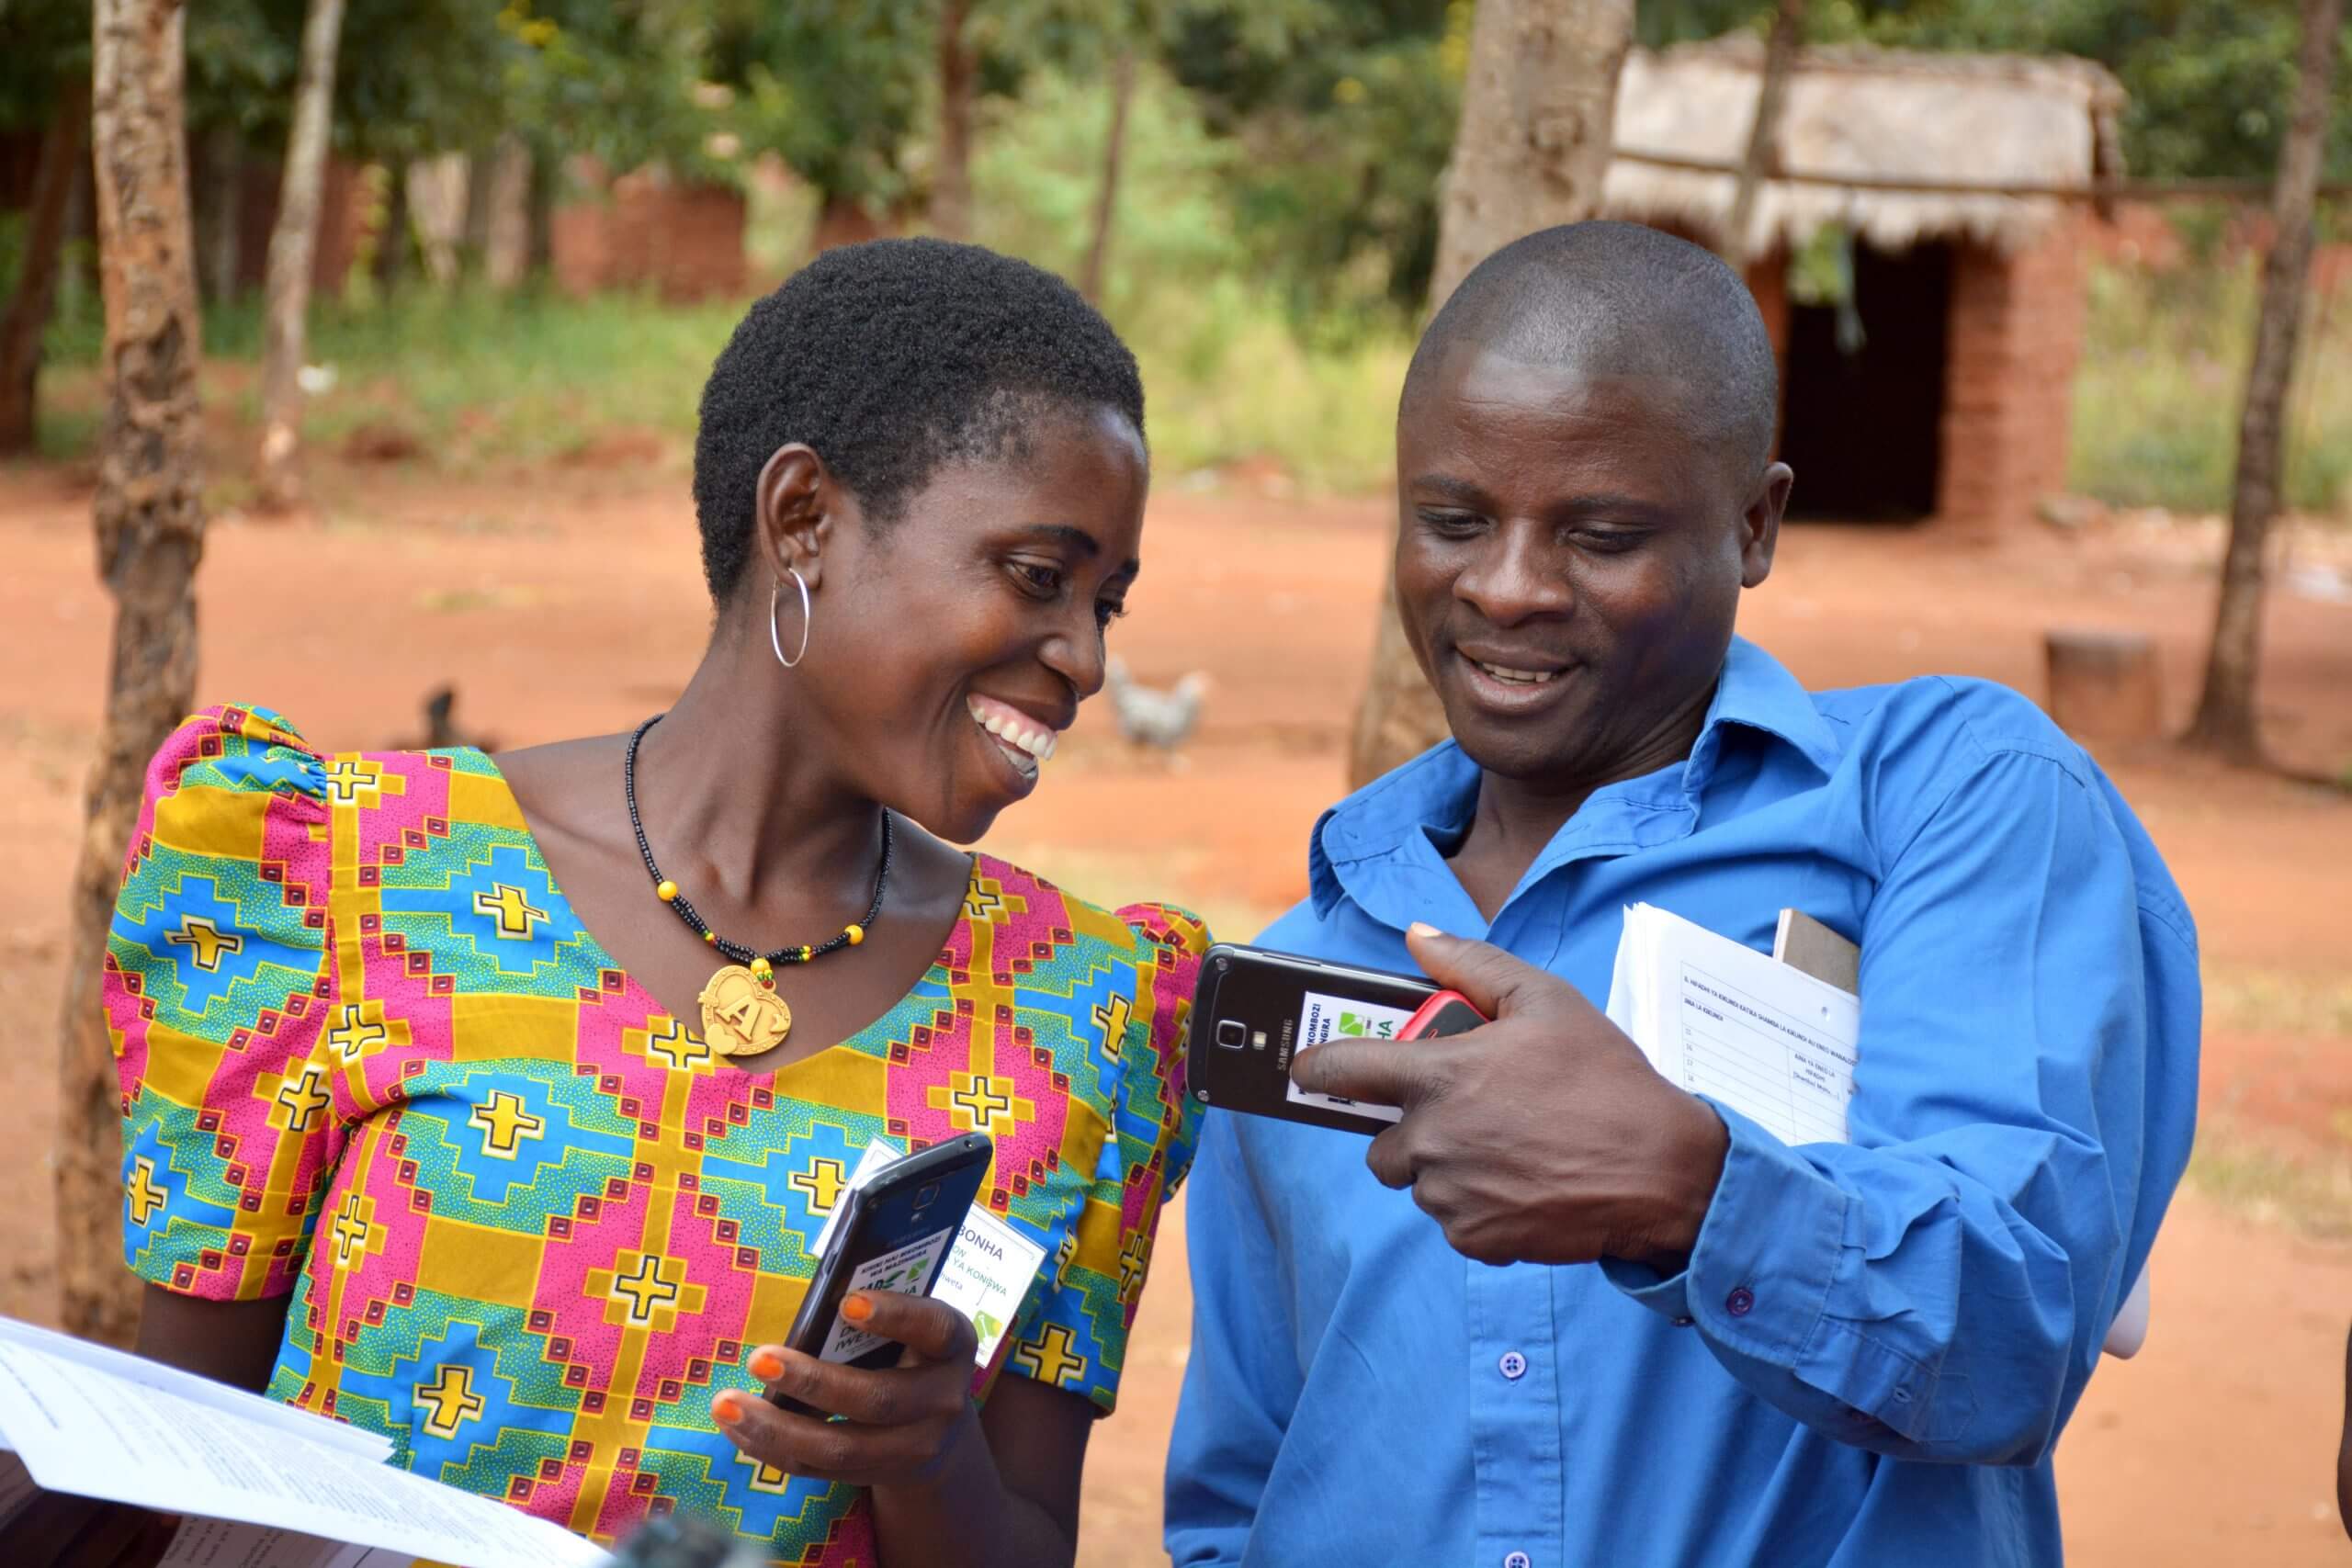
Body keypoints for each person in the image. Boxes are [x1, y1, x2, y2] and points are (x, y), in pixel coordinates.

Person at [29, 239, 1207, 1568]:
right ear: (804, 517)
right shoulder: (348, 879)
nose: (1090, 659)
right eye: (1039, 577)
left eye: (1107, 603)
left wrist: (928, 1458)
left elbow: (1027, 1542)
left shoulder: (1086, 1011)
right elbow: (184, 1454)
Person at [1165, 221, 2199, 1567]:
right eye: (1452, 520)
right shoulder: (1314, 963)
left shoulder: (1946, 800)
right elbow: (1243, 1495)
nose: (1509, 587)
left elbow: (2018, 1337)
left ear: (1756, 523)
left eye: (1599, 534)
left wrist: (1691, 1192)